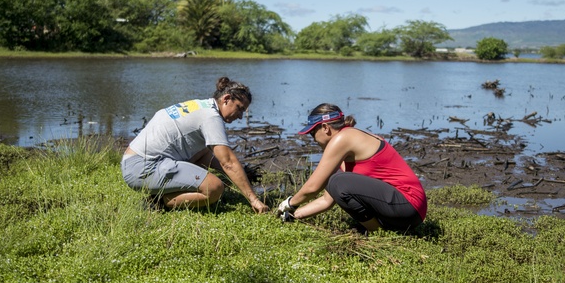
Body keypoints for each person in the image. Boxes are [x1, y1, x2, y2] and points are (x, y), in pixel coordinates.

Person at [122, 77, 269, 213]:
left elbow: (205, 156)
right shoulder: (211, 117)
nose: (240, 116)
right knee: (214, 188)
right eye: (240, 108)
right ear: (226, 99)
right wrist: (254, 200)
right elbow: (228, 162)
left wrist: (240, 173)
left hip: (133, 163)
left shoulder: (202, 105)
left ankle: (164, 194)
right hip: (143, 169)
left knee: (204, 151)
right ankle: (158, 202)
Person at [276, 103, 427, 232]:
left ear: (325, 127)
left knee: (336, 181)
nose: (313, 139)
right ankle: (381, 230)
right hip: (407, 211)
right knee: (335, 181)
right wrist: (293, 216)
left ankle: (376, 233)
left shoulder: (343, 138)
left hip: (408, 205)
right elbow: (327, 200)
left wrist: (289, 203)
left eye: (312, 133)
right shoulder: (348, 142)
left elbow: (313, 187)